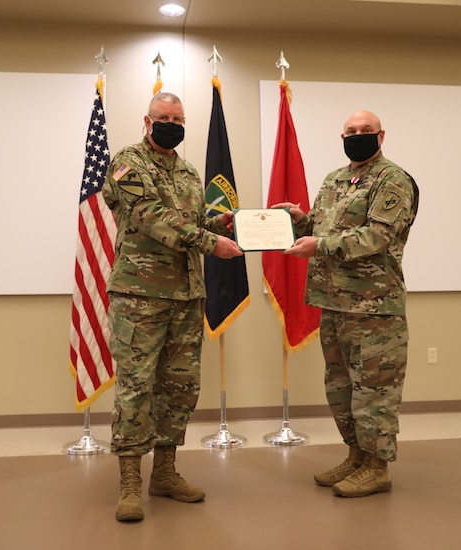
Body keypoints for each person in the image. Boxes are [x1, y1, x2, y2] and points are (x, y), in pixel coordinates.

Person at [102, 92, 244, 522]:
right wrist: (210, 242)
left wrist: (221, 224)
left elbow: (192, 220)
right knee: (136, 387)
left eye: (178, 118)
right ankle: (130, 481)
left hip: (185, 295)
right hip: (139, 296)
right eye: (163, 117)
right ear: (148, 120)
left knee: (178, 388)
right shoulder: (127, 163)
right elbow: (150, 216)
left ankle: (164, 472)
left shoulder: (187, 170)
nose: (171, 123)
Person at [272, 110, 419, 498]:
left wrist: (317, 244)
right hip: (334, 303)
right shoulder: (335, 179)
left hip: (374, 307)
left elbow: (377, 236)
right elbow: (325, 228)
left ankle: (377, 467)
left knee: (374, 391)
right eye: (351, 132)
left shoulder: (393, 180)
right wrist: (301, 220)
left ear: (381, 136)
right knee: (341, 389)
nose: (357, 136)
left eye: (365, 131)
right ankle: (356, 457)